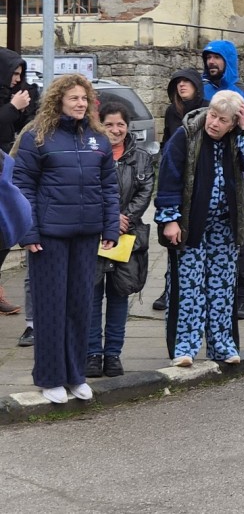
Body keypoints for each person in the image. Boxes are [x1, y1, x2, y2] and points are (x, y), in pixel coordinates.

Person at [13, 74, 119, 404]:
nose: (80, 103)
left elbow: (109, 187)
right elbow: (23, 187)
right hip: (49, 237)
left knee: (79, 307)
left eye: (84, 98)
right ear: (58, 100)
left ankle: (75, 375)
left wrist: (110, 228)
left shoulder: (98, 139)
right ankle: (50, 377)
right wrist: (28, 232)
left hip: (86, 235)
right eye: (74, 98)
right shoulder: (36, 136)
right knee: (51, 309)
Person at [155, 90, 244, 366]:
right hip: (190, 225)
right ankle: (185, 348)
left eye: (223, 120)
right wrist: (170, 219)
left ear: (233, 123)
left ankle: (222, 346)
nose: (215, 123)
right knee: (189, 287)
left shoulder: (237, 137)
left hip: (225, 227)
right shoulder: (186, 135)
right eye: (213, 116)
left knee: (222, 288)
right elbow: (168, 177)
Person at [86, 103, 155, 378]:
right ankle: (92, 354)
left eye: (120, 125)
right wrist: (107, 219)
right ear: (100, 125)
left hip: (127, 236)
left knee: (119, 294)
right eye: (109, 125)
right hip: (95, 235)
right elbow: (85, 190)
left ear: (128, 127)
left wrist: (124, 218)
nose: (115, 130)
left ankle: (113, 354)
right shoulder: (90, 153)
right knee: (92, 296)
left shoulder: (141, 157)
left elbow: (145, 190)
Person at [200, 40, 244, 320]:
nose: (211, 62)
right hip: (201, 172)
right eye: (208, 57)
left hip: (233, 172)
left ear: (229, 60)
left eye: (217, 58)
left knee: (239, 235)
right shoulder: (200, 88)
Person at [153, 68, 209, 311]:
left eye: (187, 81)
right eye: (178, 82)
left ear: (197, 85)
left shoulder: (207, 109)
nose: (181, 85)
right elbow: (168, 140)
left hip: (200, 180)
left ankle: (199, 291)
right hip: (176, 178)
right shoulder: (172, 111)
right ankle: (171, 288)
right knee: (175, 240)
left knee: (199, 243)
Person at [0, 48, 39, 315]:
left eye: (20, 74)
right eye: (14, 73)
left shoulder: (12, 93)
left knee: (9, 229)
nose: (16, 79)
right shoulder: (8, 100)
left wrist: (25, 107)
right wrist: (13, 107)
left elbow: (22, 127)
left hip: (7, 167)